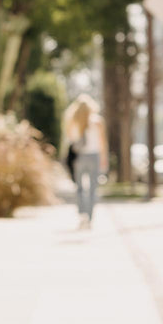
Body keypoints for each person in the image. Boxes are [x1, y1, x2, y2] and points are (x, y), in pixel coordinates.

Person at [63, 94, 108, 227]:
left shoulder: (73, 121)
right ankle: (89, 217)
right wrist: (104, 159)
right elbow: (102, 142)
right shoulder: (97, 121)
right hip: (94, 156)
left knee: (80, 188)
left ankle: (82, 214)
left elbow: (71, 140)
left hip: (80, 157)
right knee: (93, 189)